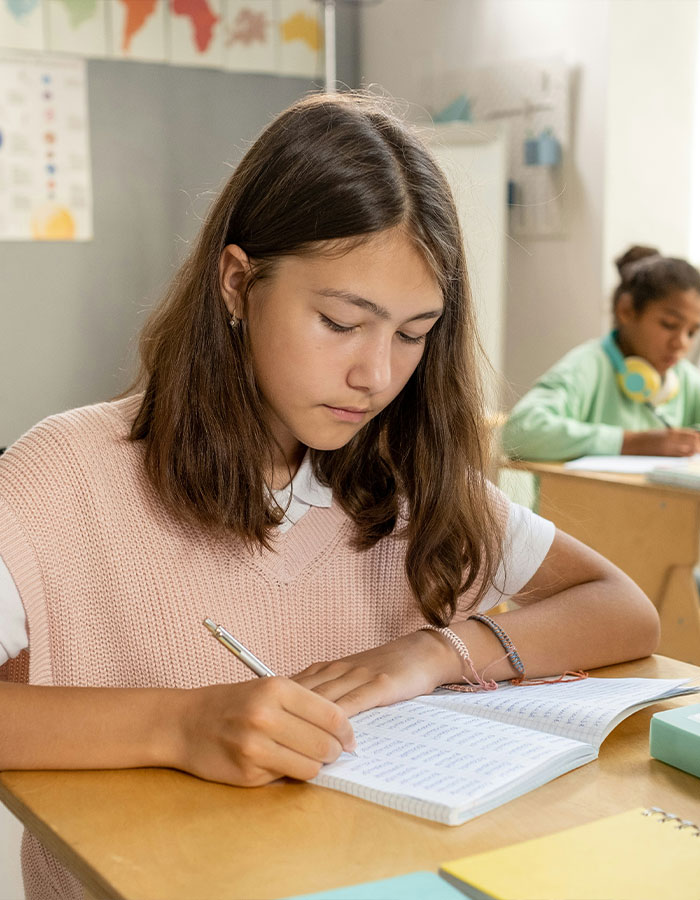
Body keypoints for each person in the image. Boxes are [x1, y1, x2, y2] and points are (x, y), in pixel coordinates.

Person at [0, 94, 659, 900]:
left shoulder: (407, 475)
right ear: (239, 284)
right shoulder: (65, 475)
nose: (376, 375)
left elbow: (622, 606)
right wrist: (179, 724)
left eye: (413, 334)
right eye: (343, 321)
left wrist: (434, 652)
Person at [502, 246, 700, 461]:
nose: (681, 343)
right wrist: (629, 443)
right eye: (669, 324)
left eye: (692, 332)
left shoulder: (685, 377)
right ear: (626, 310)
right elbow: (518, 433)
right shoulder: (587, 366)